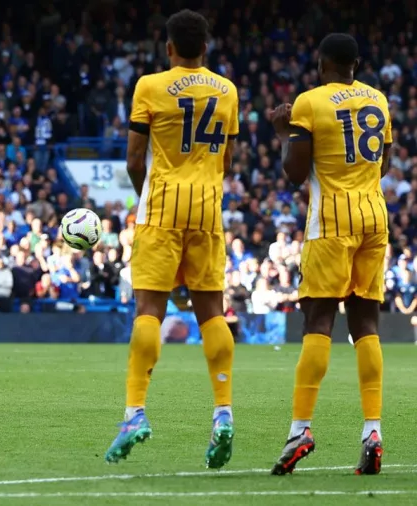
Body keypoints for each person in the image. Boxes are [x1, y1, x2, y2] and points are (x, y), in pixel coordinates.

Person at [104, 9, 239, 469]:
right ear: (206, 47)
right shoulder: (228, 91)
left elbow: (134, 158)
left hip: (161, 205)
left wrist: (149, 198)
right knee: (211, 312)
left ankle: (135, 414)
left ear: (168, 47)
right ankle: (223, 413)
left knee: (148, 311)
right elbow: (228, 160)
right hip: (207, 206)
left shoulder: (150, 86)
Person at [268, 33, 391, 476]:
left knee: (318, 322)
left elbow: (295, 173)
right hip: (375, 218)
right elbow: (386, 164)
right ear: (356, 63)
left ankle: (300, 430)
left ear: (321, 65)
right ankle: (372, 431)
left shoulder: (309, 102)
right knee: (366, 324)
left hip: (332, 223)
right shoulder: (378, 100)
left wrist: (284, 133)